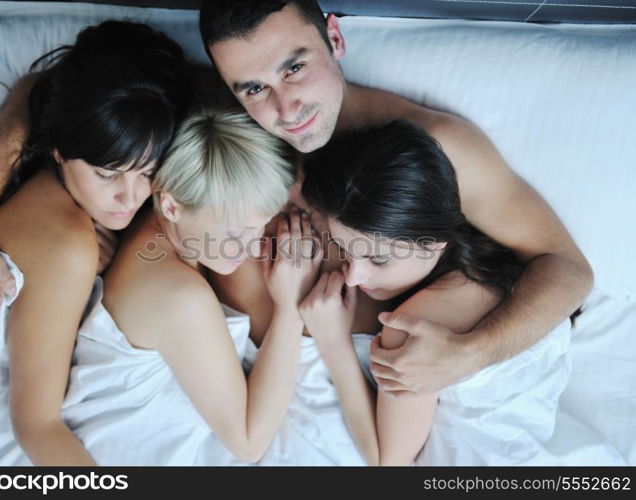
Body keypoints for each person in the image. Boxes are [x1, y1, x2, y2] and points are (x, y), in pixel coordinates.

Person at [198, 0, 593, 394]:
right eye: (254, 88)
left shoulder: (440, 150)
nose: (286, 109)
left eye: (294, 68)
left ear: (334, 38)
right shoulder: (241, 160)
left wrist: (470, 354)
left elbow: (567, 269)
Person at [0, 21, 191, 465]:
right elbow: (36, 427)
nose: (129, 197)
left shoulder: (62, 184)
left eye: (148, 172)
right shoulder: (66, 244)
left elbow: (35, 87)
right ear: (59, 149)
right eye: (107, 174)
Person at [60, 109, 321, 465]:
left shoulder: (159, 226)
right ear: (170, 205)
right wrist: (290, 309)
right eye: (236, 232)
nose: (251, 247)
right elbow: (248, 443)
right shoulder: (180, 298)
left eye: (259, 227)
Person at [297, 119, 527, 465]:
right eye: (342, 248)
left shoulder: (411, 326)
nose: (355, 275)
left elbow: (388, 461)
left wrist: (333, 342)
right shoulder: (491, 260)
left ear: (434, 242)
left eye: (378, 260)